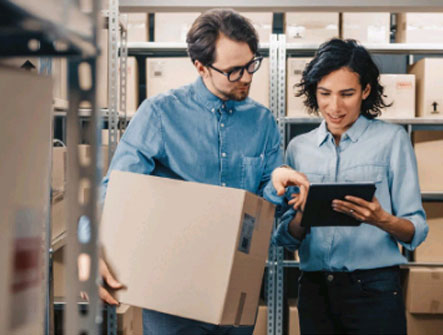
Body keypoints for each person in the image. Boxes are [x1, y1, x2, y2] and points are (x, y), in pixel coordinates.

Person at [97, 8, 308, 335]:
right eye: (234, 71)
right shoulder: (160, 114)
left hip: (238, 285)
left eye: (252, 64)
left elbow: (267, 199)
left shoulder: (262, 122)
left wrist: (277, 183)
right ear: (201, 67)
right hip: (171, 289)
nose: (248, 77)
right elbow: (116, 189)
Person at [272, 38, 428, 335]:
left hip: (374, 289)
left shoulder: (392, 141)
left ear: (365, 91)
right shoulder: (298, 149)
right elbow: (286, 239)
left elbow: (416, 230)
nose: (335, 106)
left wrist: (381, 219)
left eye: (347, 94)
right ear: (313, 91)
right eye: (325, 93)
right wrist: (303, 215)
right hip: (315, 291)